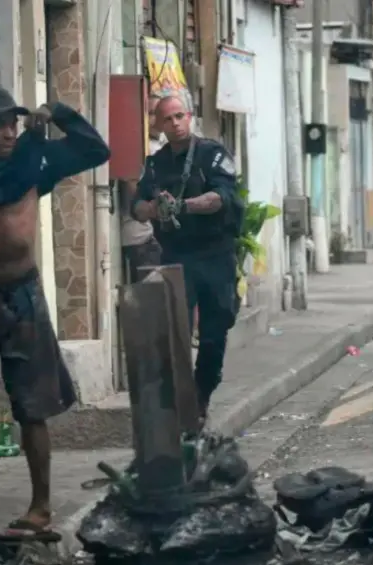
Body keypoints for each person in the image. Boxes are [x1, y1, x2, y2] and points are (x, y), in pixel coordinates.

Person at [0, 86, 110, 538]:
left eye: (13, 122)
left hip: (22, 295)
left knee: (32, 407)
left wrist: (60, 113)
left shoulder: (35, 161)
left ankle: (40, 508)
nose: (10, 131)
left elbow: (96, 149)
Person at [131, 95, 242, 423]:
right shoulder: (155, 164)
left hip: (215, 255)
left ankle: (202, 393)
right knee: (174, 331)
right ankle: (180, 404)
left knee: (214, 332)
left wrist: (183, 205)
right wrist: (153, 208)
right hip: (177, 255)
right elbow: (136, 206)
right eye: (168, 118)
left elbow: (221, 198)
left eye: (180, 116)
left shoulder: (213, 154)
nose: (175, 123)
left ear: (190, 117)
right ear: (160, 125)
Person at [121, 93, 163, 283]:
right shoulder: (140, 148)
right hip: (140, 238)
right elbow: (133, 187)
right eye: (152, 113)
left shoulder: (159, 146)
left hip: (150, 237)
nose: (157, 119)